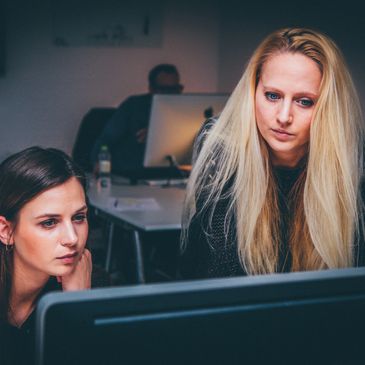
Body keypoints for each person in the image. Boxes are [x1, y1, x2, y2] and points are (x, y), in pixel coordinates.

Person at [181, 27, 365, 280]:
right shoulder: (223, 148)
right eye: (272, 95)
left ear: (328, 109)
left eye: (305, 101)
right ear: (252, 92)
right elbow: (218, 275)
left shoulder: (352, 157)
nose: (283, 117)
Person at [0, 146, 108, 365]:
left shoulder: (92, 288)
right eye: (49, 223)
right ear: (6, 231)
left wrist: (77, 305)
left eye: (79, 217)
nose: (72, 238)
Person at [91, 63, 184, 174]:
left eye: (176, 89)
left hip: (171, 174)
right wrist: (99, 162)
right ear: (151, 89)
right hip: (133, 173)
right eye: (165, 90)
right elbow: (106, 139)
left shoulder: (184, 112)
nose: (171, 95)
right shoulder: (133, 106)